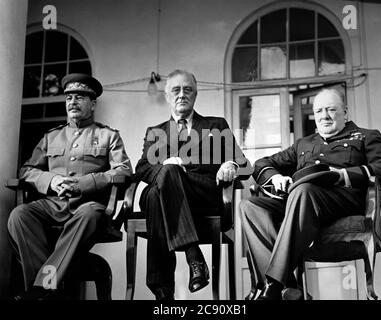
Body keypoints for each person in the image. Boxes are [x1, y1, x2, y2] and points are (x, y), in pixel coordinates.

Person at [239, 88, 381, 300]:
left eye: (331, 110)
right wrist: (276, 177)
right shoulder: (304, 144)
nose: (324, 116)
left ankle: (274, 285)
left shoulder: (366, 136)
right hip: (302, 203)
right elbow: (262, 163)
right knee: (250, 207)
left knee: (303, 190)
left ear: (346, 112)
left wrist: (344, 174)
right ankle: (289, 285)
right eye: (319, 111)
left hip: (342, 201)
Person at [8, 73, 132, 300]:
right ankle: (46, 291)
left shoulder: (108, 136)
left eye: (80, 97)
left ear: (93, 104)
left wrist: (83, 185)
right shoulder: (51, 137)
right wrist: (51, 181)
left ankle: (43, 288)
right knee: (19, 215)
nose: (72, 102)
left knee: (89, 213)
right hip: (53, 205)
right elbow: (26, 170)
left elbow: (123, 170)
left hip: (87, 206)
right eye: (68, 98)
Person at [135, 69, 251, 300]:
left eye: (187, 89)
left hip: (203, 193)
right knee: (160, 186)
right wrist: (167, 165)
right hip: (165, 195)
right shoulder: (156, 132)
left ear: (196, 94)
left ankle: (161, 288)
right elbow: (142, 169)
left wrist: (230, 164)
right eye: (175, 90)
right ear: (167, 96)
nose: (181, 95)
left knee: (155, 194)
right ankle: (193, 257)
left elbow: (244, 166)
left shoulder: (216, 125)